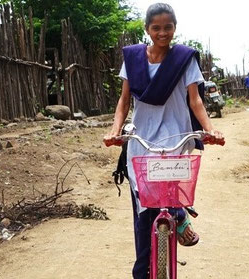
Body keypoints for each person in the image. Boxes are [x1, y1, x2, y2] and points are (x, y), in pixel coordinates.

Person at [103, 3, 224, 279]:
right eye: (156, 28)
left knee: (168, 194)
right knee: (143, 212)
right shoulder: (133, 59)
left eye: (167, 27)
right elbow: (124, 101)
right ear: (147, 29)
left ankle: (178, 216)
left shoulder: (184, 59)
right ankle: (142, 271)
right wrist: (115, 131)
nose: (162, 32)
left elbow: (196, 101)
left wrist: (211, 130)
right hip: (141, 141)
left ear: (175, 28)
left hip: (176, 139)